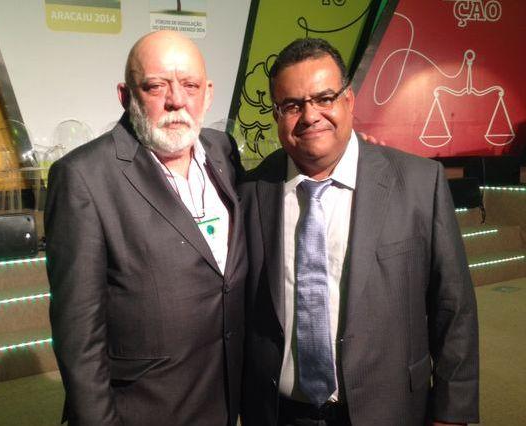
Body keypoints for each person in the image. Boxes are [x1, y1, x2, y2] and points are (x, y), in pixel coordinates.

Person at [239, 38, 479, 426]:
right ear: (276, 114)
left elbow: (454, 308)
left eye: (324, 98)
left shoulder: (420, 184)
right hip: (279, 413)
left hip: (390, 410)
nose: (310, 115)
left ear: (349, 100)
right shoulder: (251, 192)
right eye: (292, 105)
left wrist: (453, 413)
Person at [45, 30, 247, 425]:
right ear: (126, 96)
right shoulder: (83, 177)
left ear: (207, 94)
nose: (176, 100)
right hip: (145, 410)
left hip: (223, 400)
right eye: (156, 86)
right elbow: (78, 337)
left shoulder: (224, 152)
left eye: (190, 86)